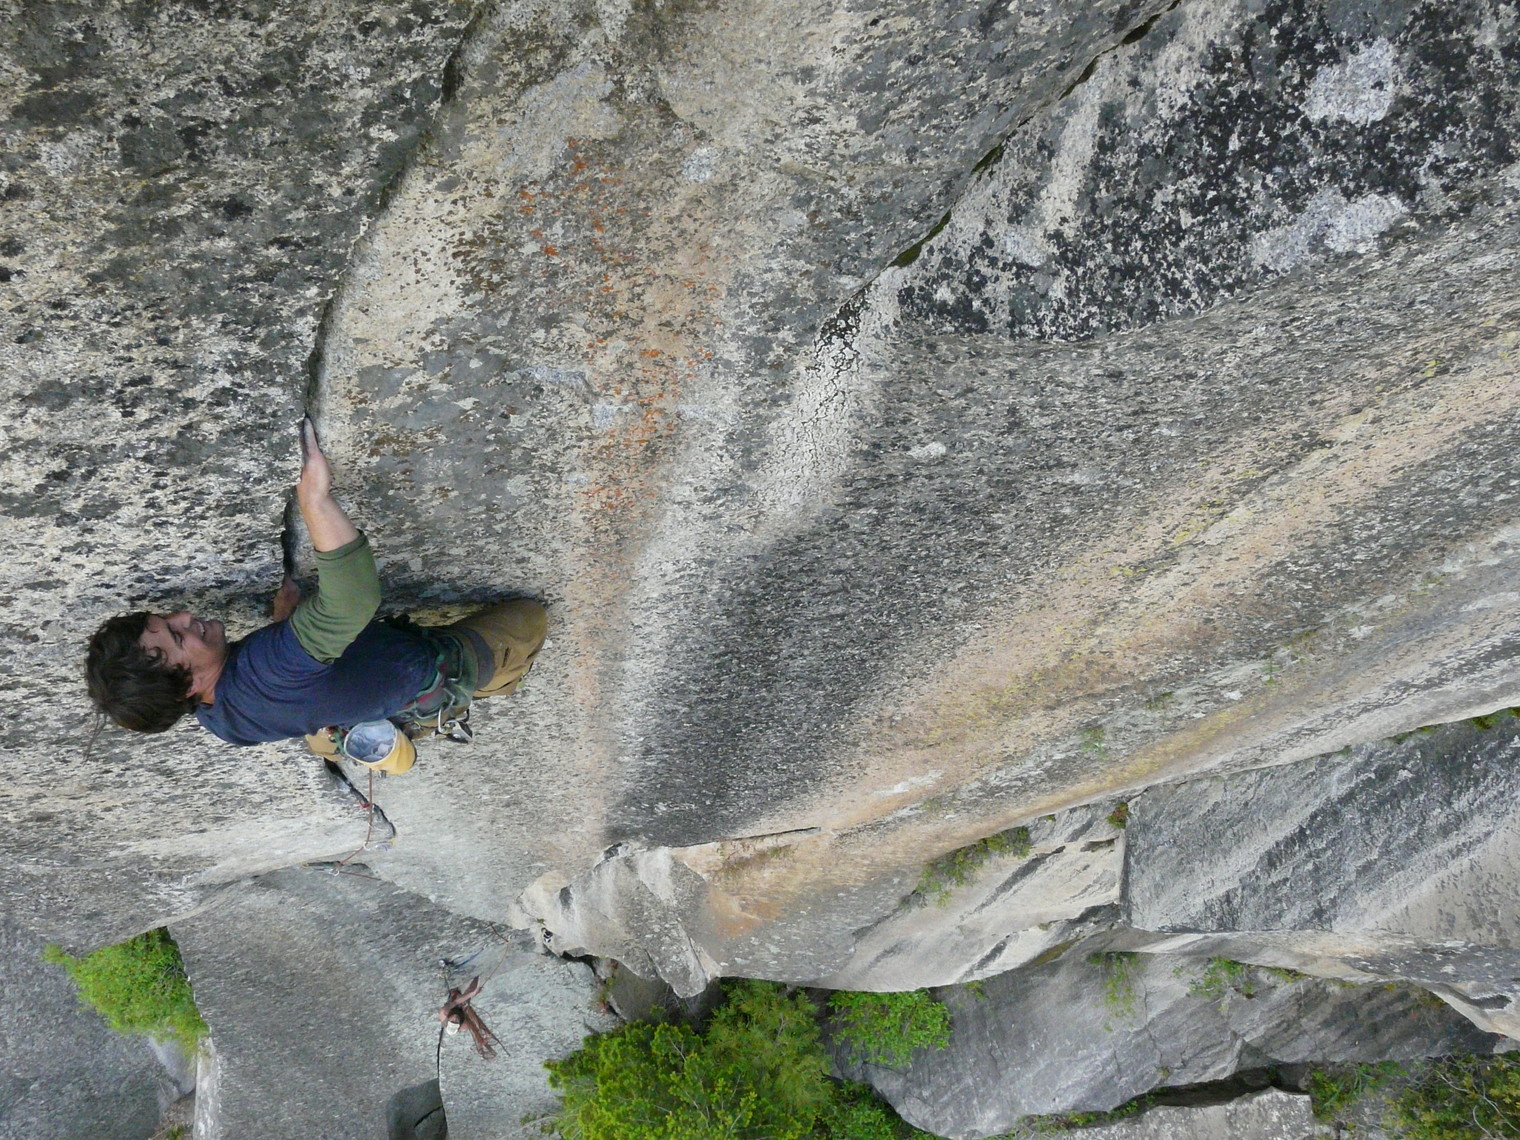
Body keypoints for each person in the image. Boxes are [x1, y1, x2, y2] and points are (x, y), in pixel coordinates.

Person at [85, 419, 544, 772]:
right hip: (435, 673)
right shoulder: (268, 668)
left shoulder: (218, 722)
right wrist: (315, 502)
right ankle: (494, 679)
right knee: (531, 616)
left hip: (364, 702)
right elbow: (350, 603)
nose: (185, 616)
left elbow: (285, 691)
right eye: (177, 637)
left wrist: (285, 629)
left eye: (168, 619)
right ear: (186, 686)